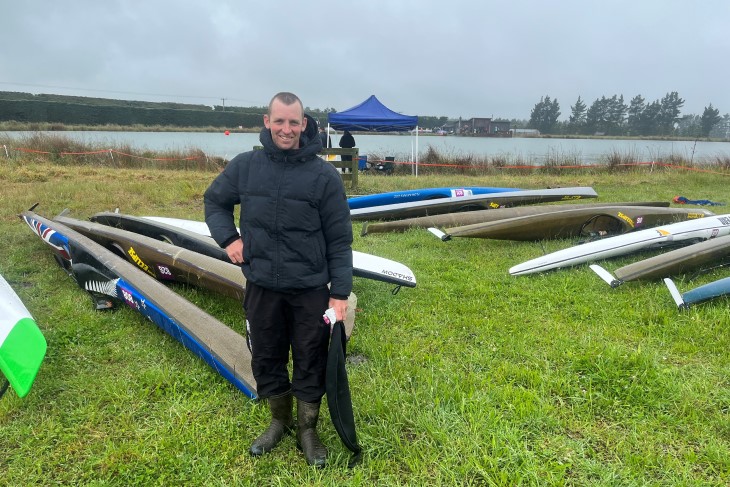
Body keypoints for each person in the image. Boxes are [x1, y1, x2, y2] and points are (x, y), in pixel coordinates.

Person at [204, 92, 353, 468]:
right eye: (280, 121)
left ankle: (307, 429)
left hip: (309, 289)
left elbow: (339, 239)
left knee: (310, 357)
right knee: (266, 355)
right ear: (267, 122)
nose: (286, 129)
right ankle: (279, 420)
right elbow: (215, 201)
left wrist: (340, 294)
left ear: (304, 125)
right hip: (262, 285)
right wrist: (229, 238)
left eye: (294, 122)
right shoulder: (246, 166)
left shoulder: (324, 176)